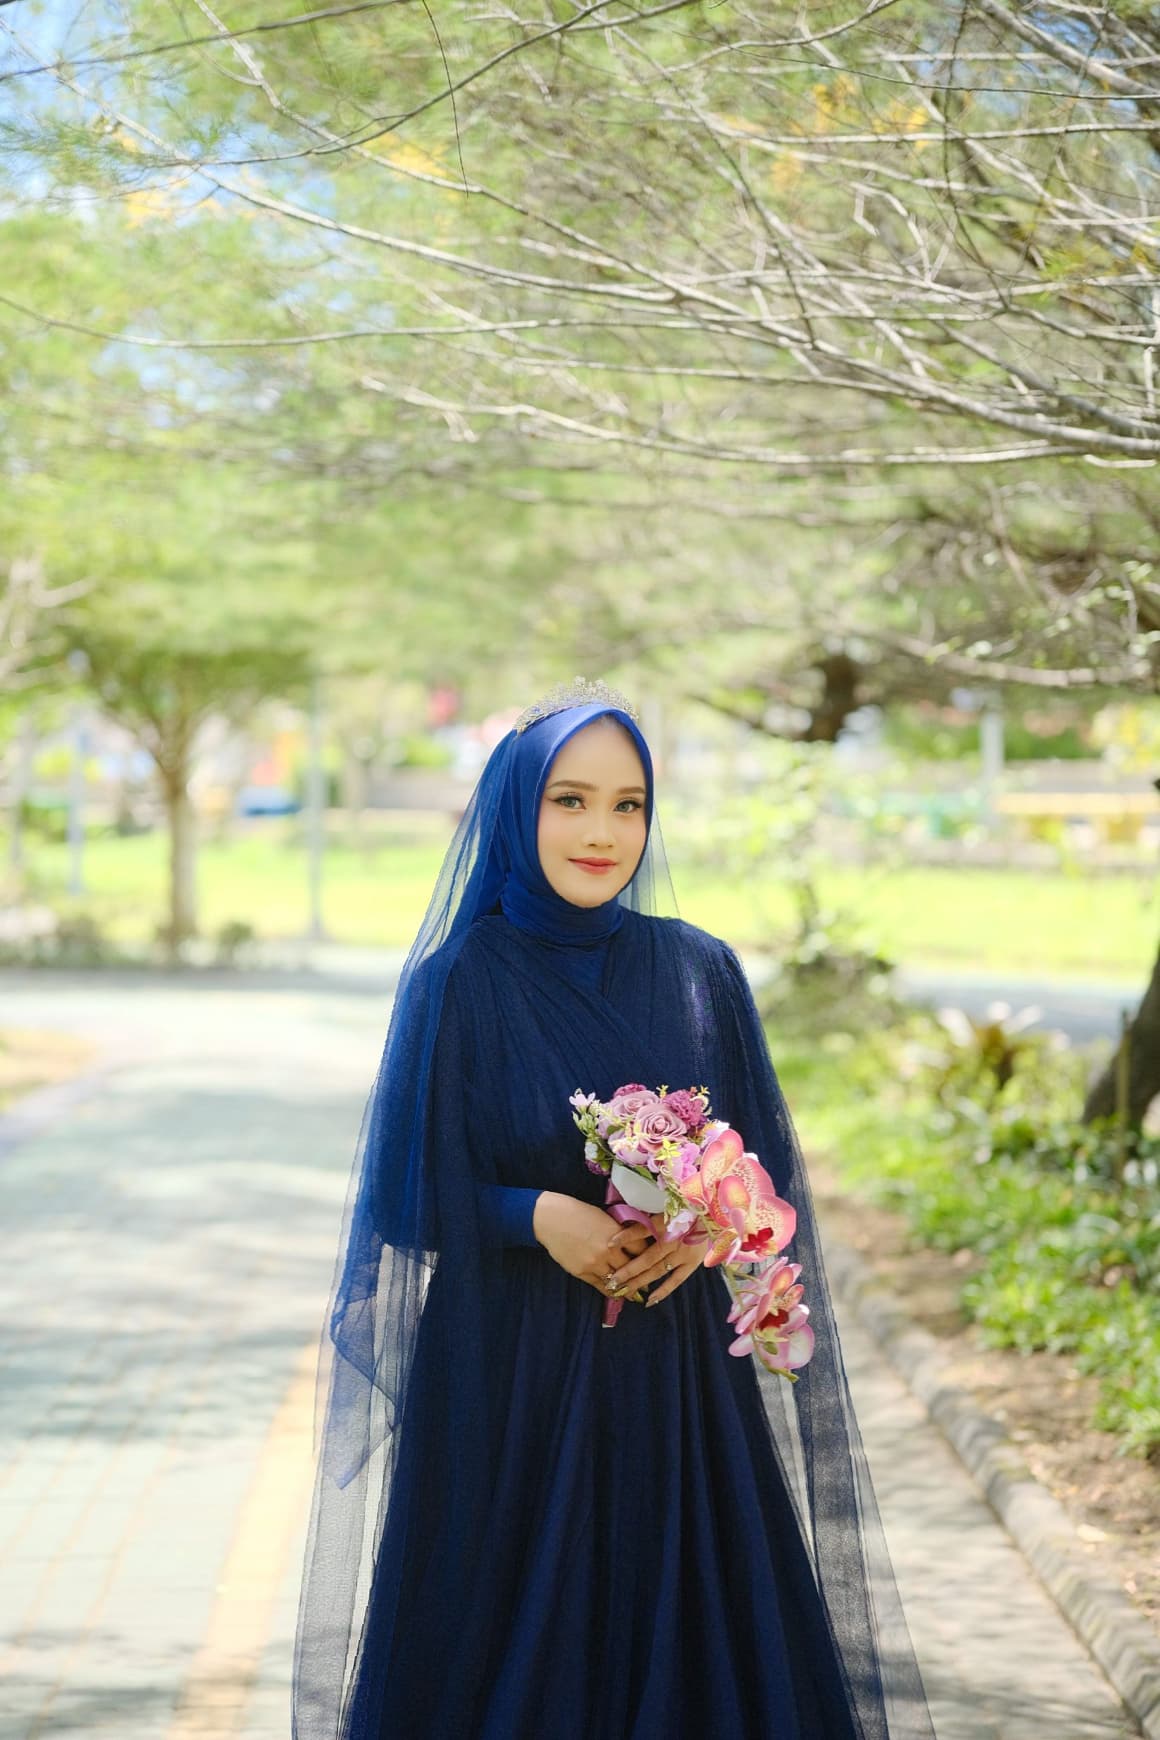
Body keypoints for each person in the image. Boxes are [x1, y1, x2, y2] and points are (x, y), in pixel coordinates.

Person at [292, 678, 936, 1740]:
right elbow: (401, 1195)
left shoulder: (699, 970)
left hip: (672, 1379)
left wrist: (709, 1227)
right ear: (516, 808)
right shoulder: (458, 981)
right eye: (570, 801)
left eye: (628, 805)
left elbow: (764, 1172)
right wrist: (536, 1215)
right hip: (508, 1380)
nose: (602, 832)